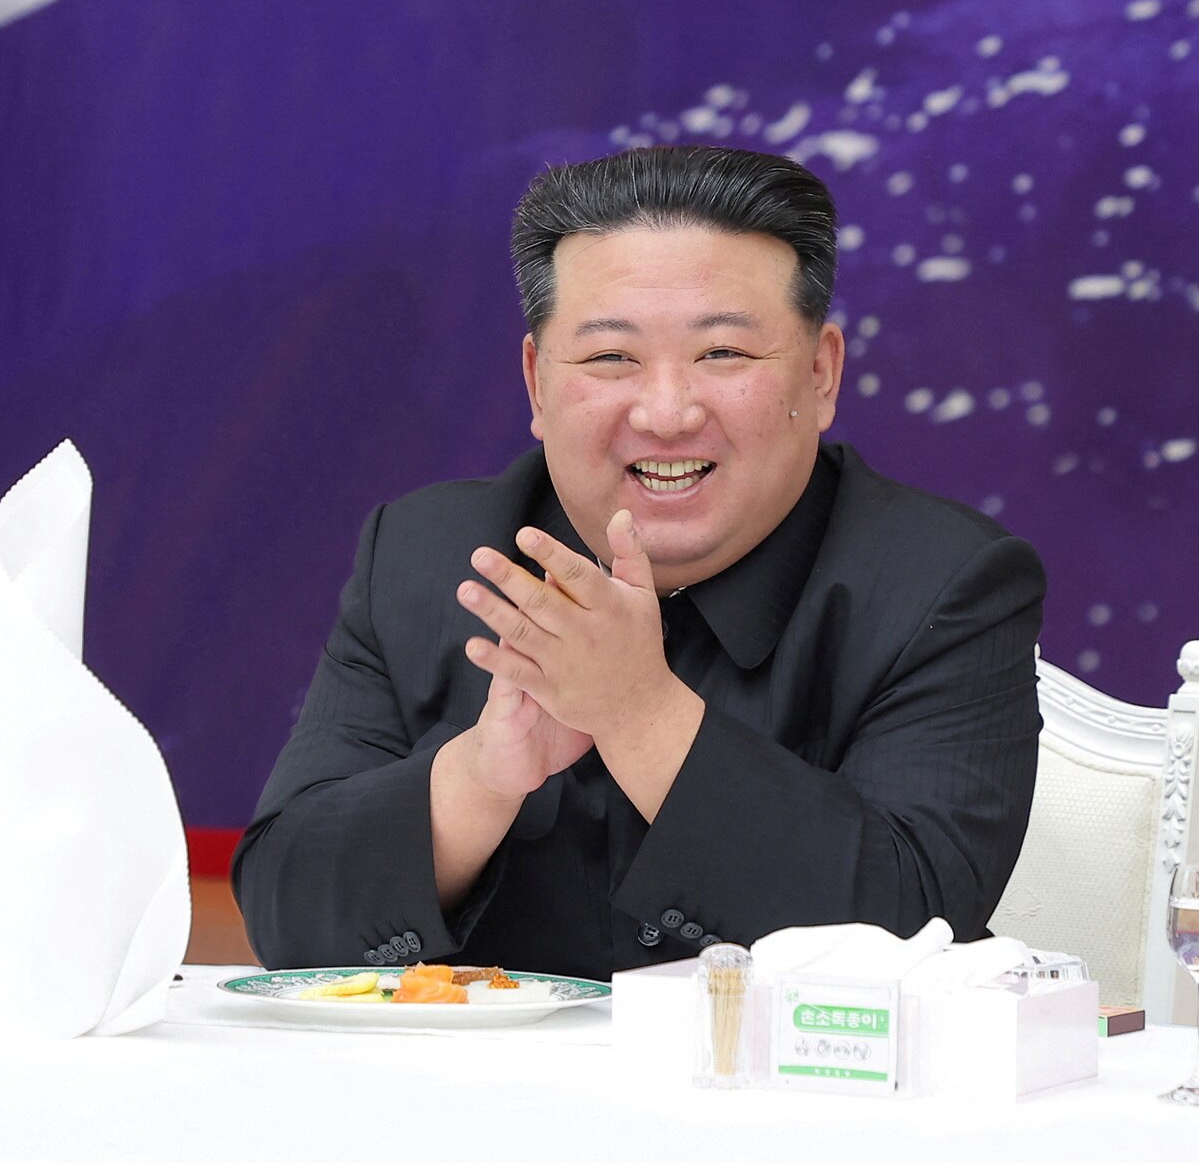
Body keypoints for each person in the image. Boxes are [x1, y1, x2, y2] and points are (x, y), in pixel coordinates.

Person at [233, 144, 1044, 981]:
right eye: (611, 358)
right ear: (536, 383)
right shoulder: (426, 555)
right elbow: (285, 924)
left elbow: (915, 936)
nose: (666, 413)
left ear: (821, 373)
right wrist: (480, 778)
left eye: (722, 354)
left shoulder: (947, 585)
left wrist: (640, 714)